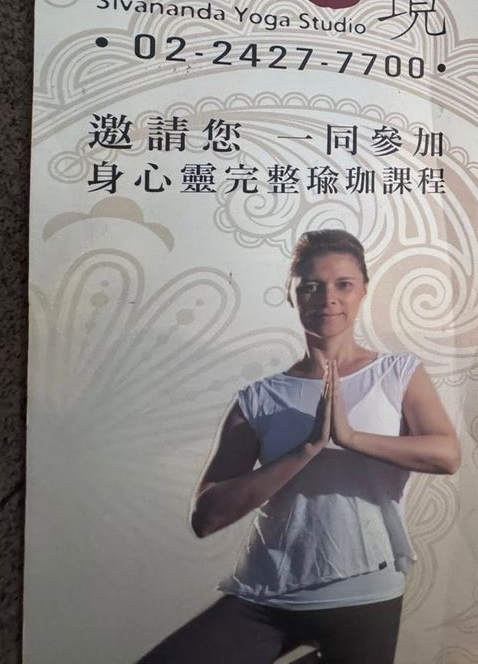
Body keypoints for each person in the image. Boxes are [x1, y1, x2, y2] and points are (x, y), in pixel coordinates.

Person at [137, 229, 460, 664]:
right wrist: (306, 449)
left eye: (343, 284)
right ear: (291, 295)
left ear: (363, 290)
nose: (328, 298)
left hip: (364, 595)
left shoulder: (397, 374)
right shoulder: (259, 397)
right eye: (311, 286)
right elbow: (206, 516)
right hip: (266, 594)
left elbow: (447, 455)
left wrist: (351, 438)